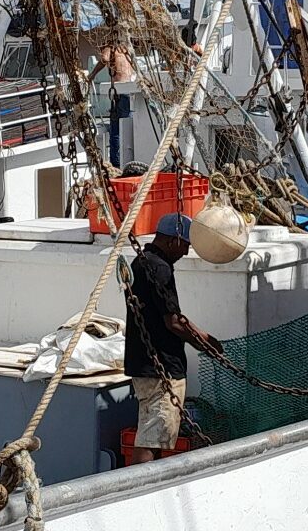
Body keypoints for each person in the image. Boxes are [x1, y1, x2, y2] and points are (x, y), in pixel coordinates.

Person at [124, 213, 221, 464]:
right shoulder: (160, 267)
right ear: (172, 240)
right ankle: (141, 488)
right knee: (153, 435)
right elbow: (174, 321)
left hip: (144, 362)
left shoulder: (141, 262)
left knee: (151, 429)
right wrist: (206, 343)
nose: (187, 251)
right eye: (185, 244)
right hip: (161, 367)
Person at [88, 42, 135, 168]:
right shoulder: (124, 50)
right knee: (127, 125)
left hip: (119, 92)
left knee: (115, 129)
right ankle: (128, 159)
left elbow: (104, 59)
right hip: (129, 91)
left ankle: (116, 163)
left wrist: (92, 74)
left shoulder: (111, 48)